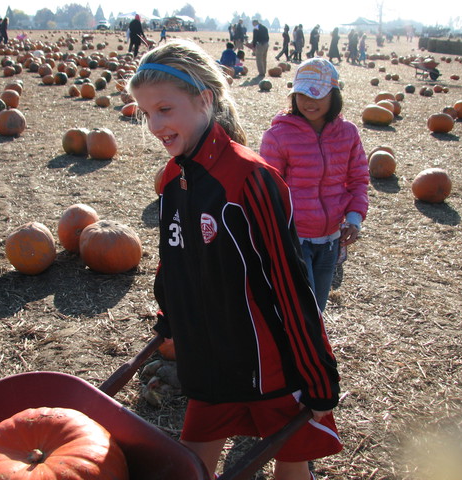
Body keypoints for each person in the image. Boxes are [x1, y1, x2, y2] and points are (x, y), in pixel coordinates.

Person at [129, 40, 342, 480]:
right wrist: (170, 315)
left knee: (291, 465)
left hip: (267, 367)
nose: (154, 125)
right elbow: (174, 260)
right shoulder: (171, 179)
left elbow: (290, 285)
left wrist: (318, 375)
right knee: (190, 469)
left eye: (165, 109)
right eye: (146, 113)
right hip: (208, 363)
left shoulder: (250, 179)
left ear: (204, 100)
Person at [260, 58, 369, 312]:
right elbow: (268, 190)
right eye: (302, 94)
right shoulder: (278, 136)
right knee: (301, 307)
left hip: (331, 238)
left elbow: (358, 179)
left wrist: (354, 218)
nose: (309, 101)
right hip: (294, 239)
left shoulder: (348, 133)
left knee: (317, 307)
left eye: (317, 94)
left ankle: (312, 338)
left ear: (334, 95)